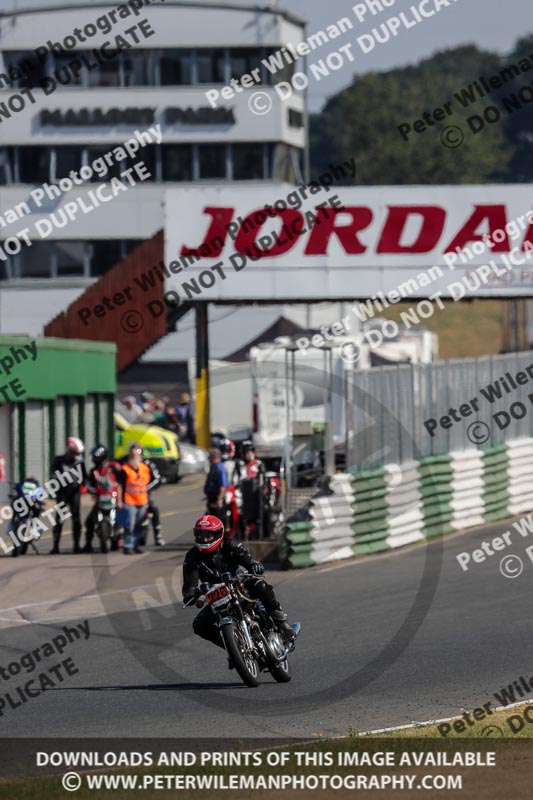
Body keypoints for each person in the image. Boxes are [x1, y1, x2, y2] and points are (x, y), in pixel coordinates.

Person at [182, 515, 295, 657]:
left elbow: (248, 560)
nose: (204, 540)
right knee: (199, 625)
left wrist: (254, 565)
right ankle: (233, 648)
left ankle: (282, 623)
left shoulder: (231, 544)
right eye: (200, 535)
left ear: (218, 534)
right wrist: (190, 594)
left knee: (260, 586)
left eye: (208, 535)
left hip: (239, 584)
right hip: (216, 595)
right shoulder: (192, 557)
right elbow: (189, 584)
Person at [117, 443, 160, 555]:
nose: (133, 456)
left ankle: (136, 545)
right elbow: (119, 486)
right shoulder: (125, 469)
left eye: (135, 454)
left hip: (142, 501)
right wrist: (119, 501)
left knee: (140, 525)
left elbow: (152, 481)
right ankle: (128, 546)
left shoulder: (145, 468)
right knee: (129, 525)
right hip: (129, 501)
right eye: (131, 455)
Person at [49, 436, 87, 554]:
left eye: (76, 453)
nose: (74, 455)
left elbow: (85, 478)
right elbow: (52, 473)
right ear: (68, 449)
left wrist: (87, 485)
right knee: (59, 519)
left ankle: (76, 545)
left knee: (76, 519)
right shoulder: (58, 460)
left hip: (75, 493)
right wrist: (57, 478)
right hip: (62, 493)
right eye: (73, 452)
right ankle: (55, 546)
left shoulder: (79, 462)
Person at [83, 445, 122, 553]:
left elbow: (120, 482)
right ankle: (88, 544)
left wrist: (120, 499)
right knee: (89, 521)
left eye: (94, 457)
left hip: (114, 497)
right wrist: (89, 490)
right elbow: (89, 484)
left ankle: (119, 539)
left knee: (124, 516)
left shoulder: (113, 467)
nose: (93, 459)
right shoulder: (93, 471)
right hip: (100, 499)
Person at [204, 448, 229, 523]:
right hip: (211, 498)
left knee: (219, 518)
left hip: (217, 498)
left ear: (215, 457)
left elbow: (223, 485)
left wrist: (220, 498)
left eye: (210, 457)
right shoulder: (213, 467)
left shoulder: (220, 468)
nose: (209, 459)